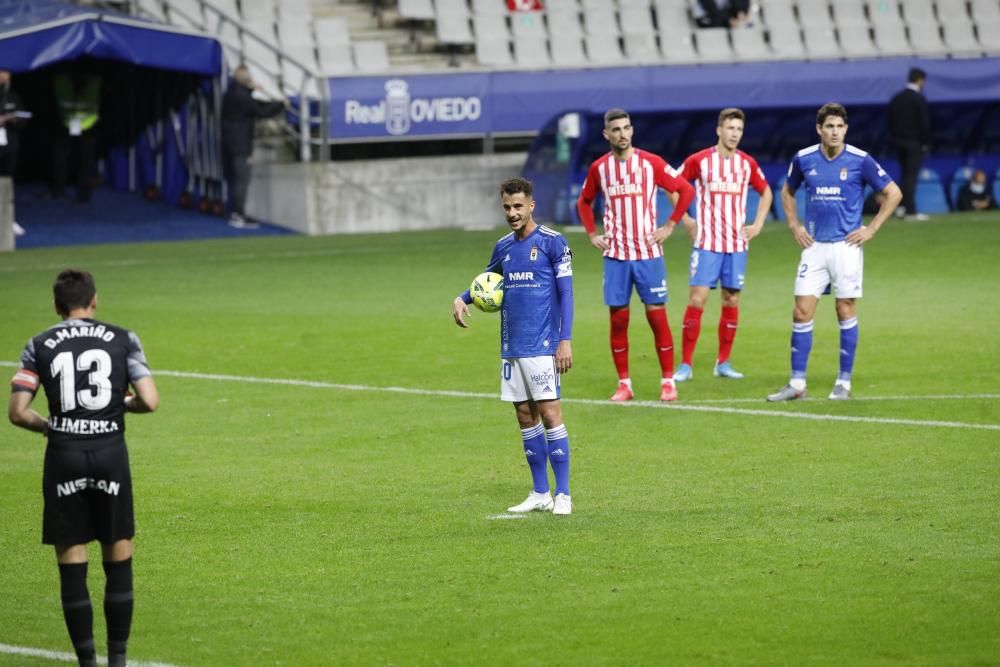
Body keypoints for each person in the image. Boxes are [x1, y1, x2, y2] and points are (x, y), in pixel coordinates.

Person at [8, 269, 160, 667]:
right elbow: (149, 399)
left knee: (72, 557)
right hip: (110, 454)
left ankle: (87, 663)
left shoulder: (38, 344)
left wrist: (48, 427)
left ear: (57, 307)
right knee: (118, 551)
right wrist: (120, 406)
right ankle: (119, 660)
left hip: (64, 455)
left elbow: (17, 412)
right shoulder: (124, 339)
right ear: (95, 301)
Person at [453, 177, 575, 516]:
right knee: (524, 415)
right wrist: (463, 299)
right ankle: (540, 492)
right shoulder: (504, 246)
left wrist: (565, 340)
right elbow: (488, 280)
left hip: (543, 345)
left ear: (531, 205)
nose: (512, 213)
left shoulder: (553, 243)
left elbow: (566, 293)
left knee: (550, 414)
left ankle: (563, 494)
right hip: (512, 346)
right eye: (507, 207)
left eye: (518, 206)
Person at [768, 103, 901, 402]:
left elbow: (894, 193)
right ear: (819, 129)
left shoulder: (860, 160)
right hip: (814, 247)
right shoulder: (803, 159)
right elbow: (787, 191)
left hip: (846, 247)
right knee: (801, 310)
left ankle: (844, 382)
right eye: (829, 126)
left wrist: (872, 228)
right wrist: (793, 224)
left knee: (845, 310)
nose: (835, 132)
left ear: (846, 129)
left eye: (840, 126)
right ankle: (797, 383)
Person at [577, 108, 695, 402]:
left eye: (627, 128)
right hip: (616, 256)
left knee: (657, 319)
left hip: (648, 254)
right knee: (618, 320)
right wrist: (592, 233)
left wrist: (669, 225)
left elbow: (685, 190)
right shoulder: (599, 169)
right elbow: (584, 201)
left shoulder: (650, 163)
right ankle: (624, 384)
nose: (623, 134)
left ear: (632, 130)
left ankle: (668, 381)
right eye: (616, 129)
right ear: (607, 134)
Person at [672, 107, 773, 383]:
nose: (735, 134)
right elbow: (673, 185)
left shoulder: (747, 164)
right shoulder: (701, 160)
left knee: (732, 299)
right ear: (719, 130)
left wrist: (758, 224)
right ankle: (685, 364)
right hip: (707, 243)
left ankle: (723, 362)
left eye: (739, 130)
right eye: (730, 128)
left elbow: (766, 192)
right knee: (698, 299)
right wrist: (686, 219)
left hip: (737, 244)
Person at [220, 64, 285, 229]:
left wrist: (250, 90)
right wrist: (281, 104)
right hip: (239, 143)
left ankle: (237, 212)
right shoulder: (241, 96)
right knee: (242, 179)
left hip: (232, 141)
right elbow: (260, 111)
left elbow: (249, 106)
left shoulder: (233, 92)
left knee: (238, 178)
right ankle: (238, 214)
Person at [50, 69, 102, 203]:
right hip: (66, 122)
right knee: (60, 158)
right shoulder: (61, 80)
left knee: (86, 161)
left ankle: (84, 191)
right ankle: (59, 189)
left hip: (88, 124)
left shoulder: (94, 81)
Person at [887, 67, 930, 221]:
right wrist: (925, 143)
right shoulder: (918, 98)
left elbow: (889, 121)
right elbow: (924, 123)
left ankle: (901, 207)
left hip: (898, 142)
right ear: (919, 80)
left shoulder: (896, 98)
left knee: (904, 176)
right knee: (911, 177)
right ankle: (910, 211)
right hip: (914, 143)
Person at [0, 69, 27, 236]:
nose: (5, 76)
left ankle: (8, 219)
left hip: (9, 143)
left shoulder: (13, 96)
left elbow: (22, 116)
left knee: (7, 181)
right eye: (2, 72)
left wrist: (11, 119)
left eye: (7, 73)